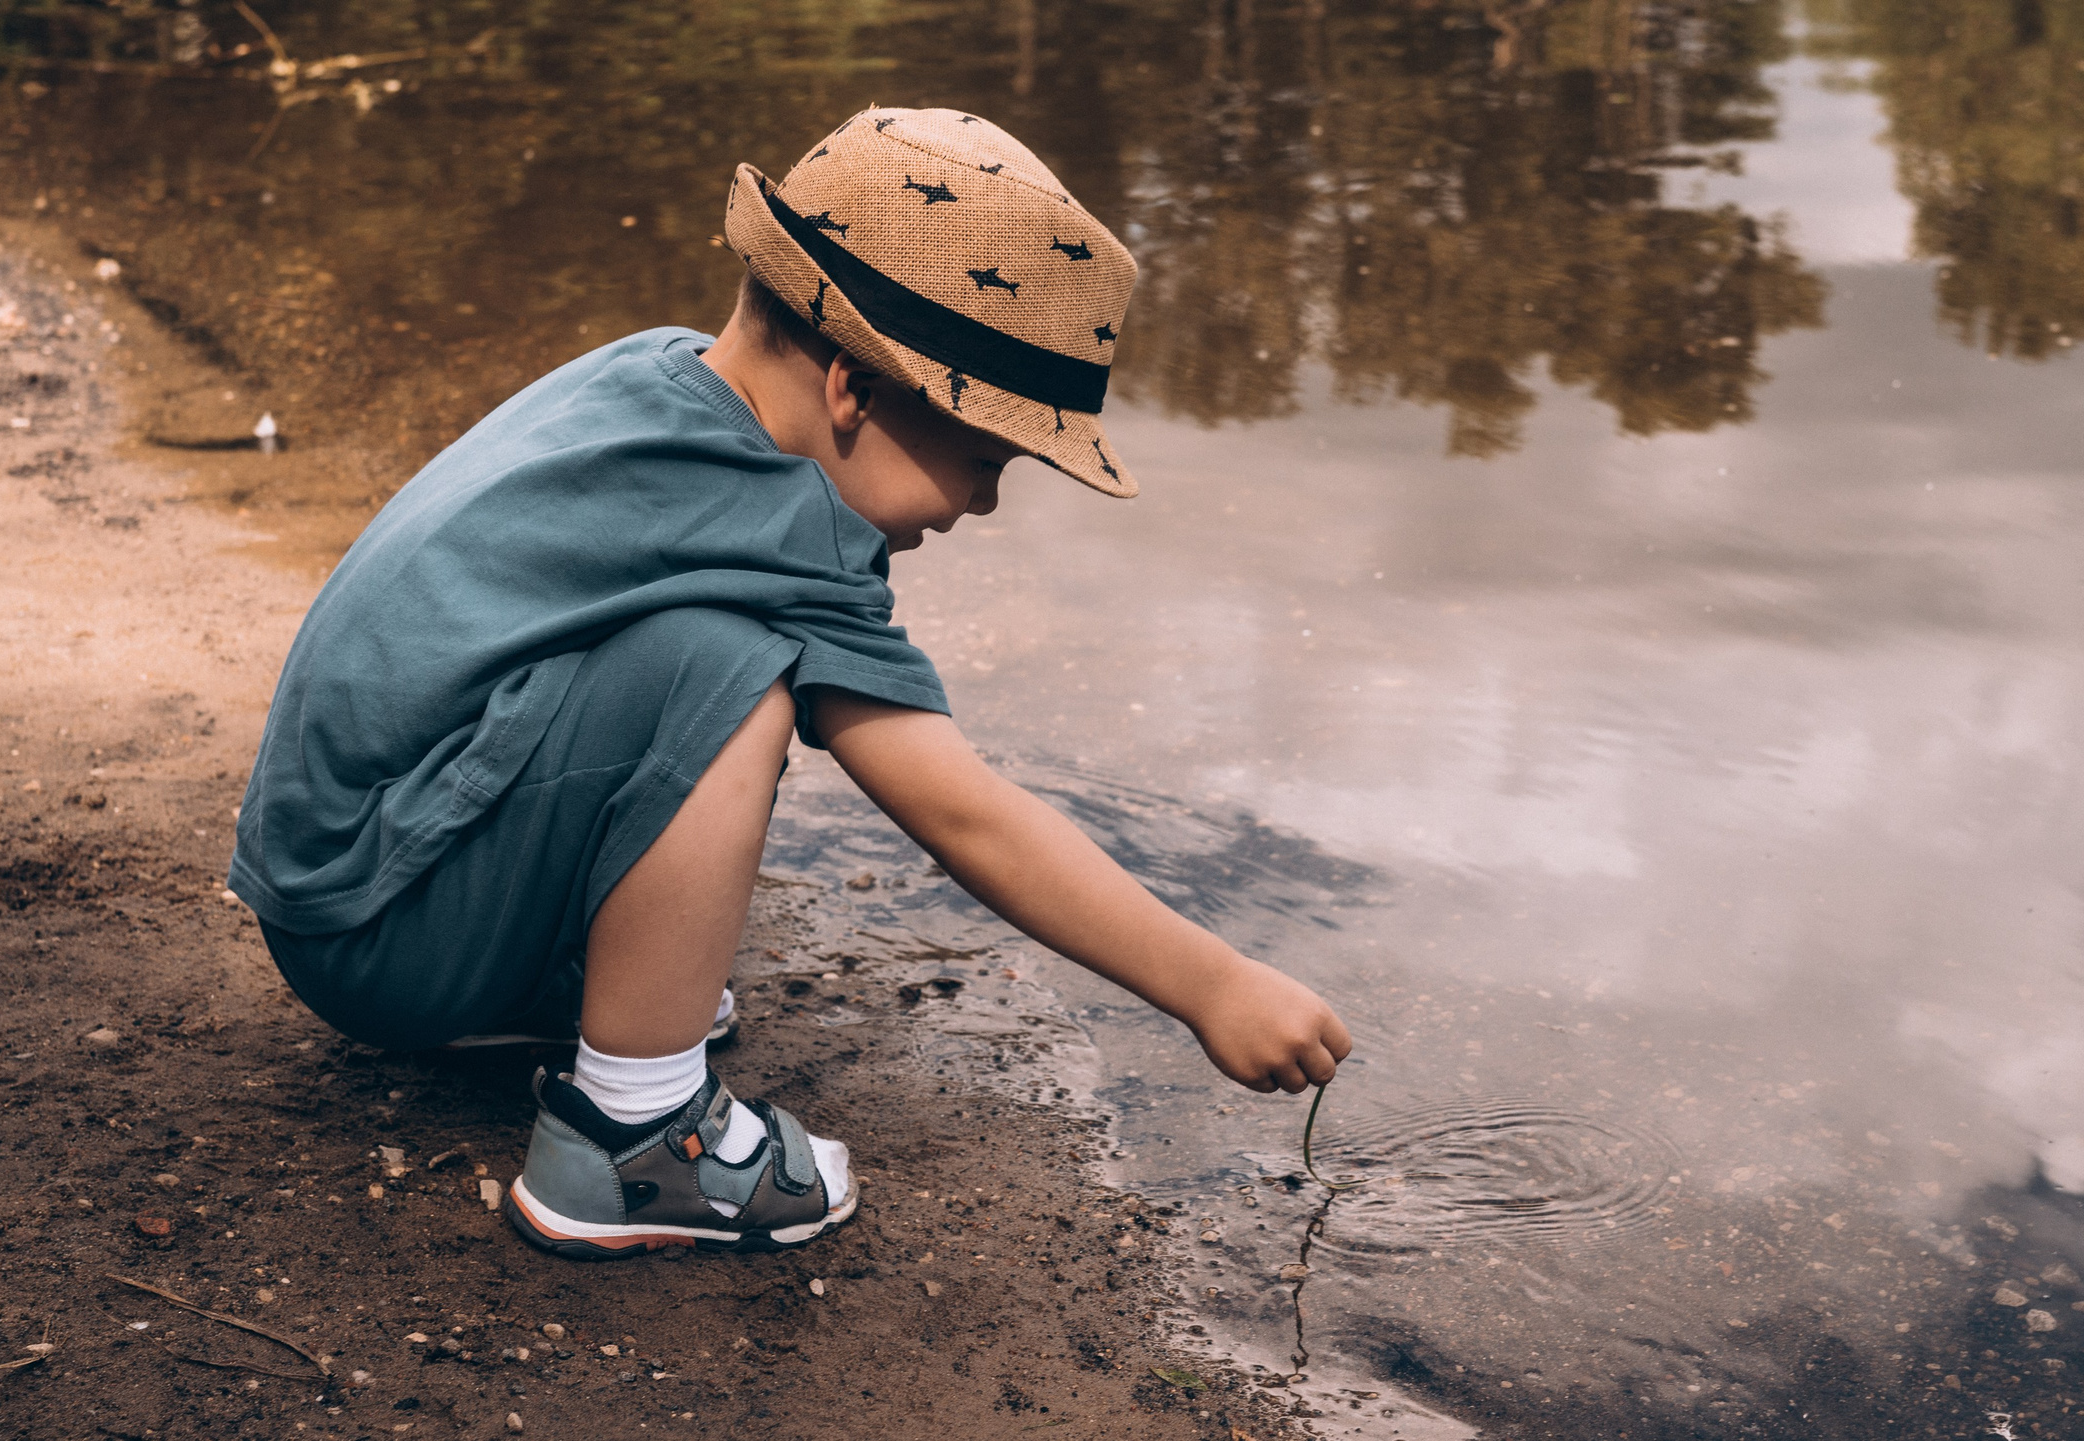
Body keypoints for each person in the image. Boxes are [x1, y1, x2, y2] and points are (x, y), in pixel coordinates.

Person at [228, 107, 1351, 1259]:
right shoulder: (781, 518)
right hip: (384, 936)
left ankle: (567, 995)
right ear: (855, 391)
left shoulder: (655, 380)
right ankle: (636, 1138)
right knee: (726, 670)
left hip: (339, 887)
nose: (983, 506)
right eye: (984, 461)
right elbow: (963, 812)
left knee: (700, 648)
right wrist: (1213, 983)